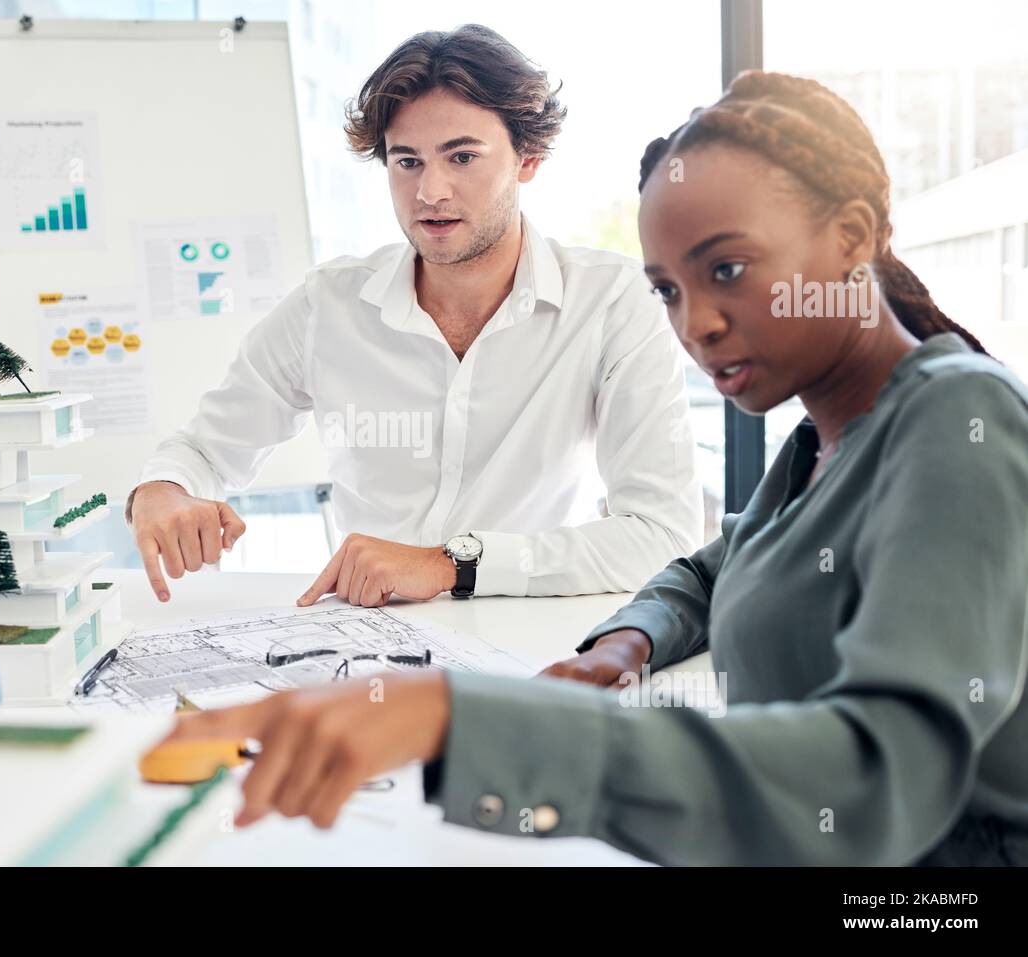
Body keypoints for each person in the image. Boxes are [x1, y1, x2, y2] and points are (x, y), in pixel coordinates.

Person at [160, 71, 1028, 866]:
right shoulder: (819, 443)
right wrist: (619, 646)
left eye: (728, 269)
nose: (698, 326)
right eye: (670, 290)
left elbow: (873, 781)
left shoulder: (956, 421)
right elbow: (703, 572)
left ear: (850, 238)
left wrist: (464, 719)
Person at [127, 24, 702, 608]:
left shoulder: (612, 303)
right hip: (370, 653)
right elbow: (204, 450)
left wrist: (451, 566)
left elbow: (661, 535)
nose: (431, 191)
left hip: (537, 653)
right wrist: (163, 489)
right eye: (407, 162)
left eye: (462, 156)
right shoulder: (328, 305)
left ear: (527, 158)